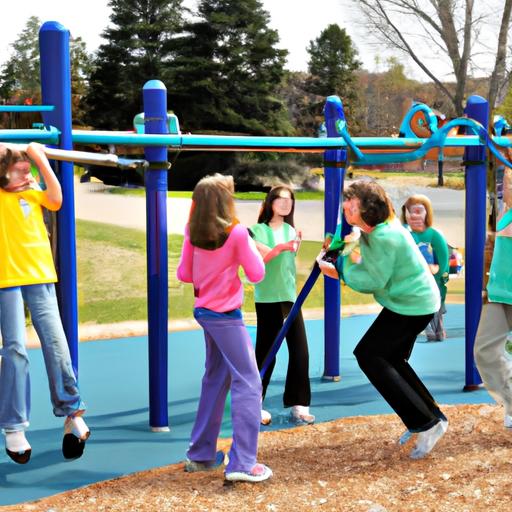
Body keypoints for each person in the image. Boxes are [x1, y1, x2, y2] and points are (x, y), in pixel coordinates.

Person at [319, 180, 447, 459]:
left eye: (350, 204)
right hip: (408, 302)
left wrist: (339, 269)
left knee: (369, 355)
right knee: (391, 359)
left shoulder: (385, 236)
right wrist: (339, 249)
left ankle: (426, 423)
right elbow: (359, 249)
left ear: (366, 208)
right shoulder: (376, 230)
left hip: (413, 304)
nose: (345, 207)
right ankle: (431, 417)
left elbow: (372, 279)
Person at [176, 174, 272, 483]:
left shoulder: (192, 232)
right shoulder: (237, 233)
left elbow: (184, 273)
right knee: (249, 382)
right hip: (226, 316)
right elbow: (257, 273)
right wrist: (250, 248)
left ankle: (201, 454)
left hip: (204, 312)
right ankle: (243, 462)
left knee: (216, 377)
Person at [0, 142, 89, 465]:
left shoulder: (31, 189)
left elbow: (56, 199)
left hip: (39, 274)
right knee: (14, 349)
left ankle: (71, 411)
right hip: (5, 278)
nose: (27, 175)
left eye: (29, 170)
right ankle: (14, 425)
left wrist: (40, 159)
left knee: (56, 343)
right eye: (20, 171)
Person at [250, 185, 313, 426]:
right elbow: (263, 257)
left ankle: (299, 404)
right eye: (281, 199)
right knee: (266, 353)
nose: (286, 204)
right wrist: (280, 248)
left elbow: (288, 258)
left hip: (289, 297)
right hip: (266, 298)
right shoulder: (255, 231)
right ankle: (254, 402)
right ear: (270, 202)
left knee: (300, 351)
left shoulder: (291, 230)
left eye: (290, 200)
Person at [474, 153, 512, 430]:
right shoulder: (504, 212)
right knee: (484, 351)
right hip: (499, 292)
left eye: (509, 184)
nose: (506, 189)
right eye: (506, 185)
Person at [401, 195, 450, 341]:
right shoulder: (406, 235)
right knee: (421, 308)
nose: (415, 216)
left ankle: (438, 329)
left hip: (433, 279)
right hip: (415, 281)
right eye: (411, 212)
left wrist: (440, 273)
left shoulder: (434, 235)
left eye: (419, 211)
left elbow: (443, 258)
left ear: (427, 213)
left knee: (436, 308)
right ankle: (428, 330)